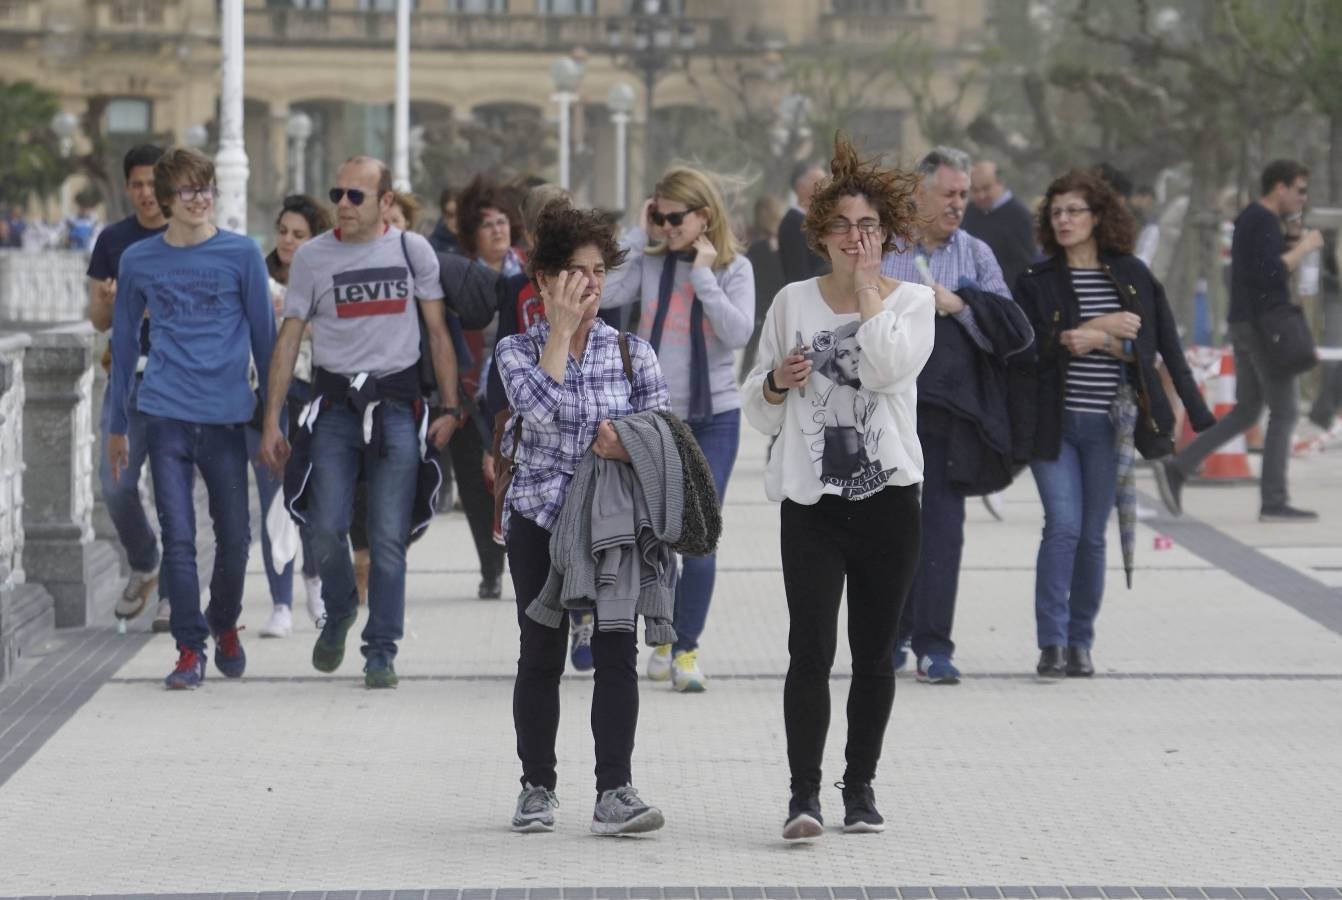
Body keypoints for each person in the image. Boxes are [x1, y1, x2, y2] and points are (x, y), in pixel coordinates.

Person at [742, 134, 934, 840]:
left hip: (890, 502)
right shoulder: (791, 302)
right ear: (819, 234)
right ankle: (804, 796)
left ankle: (860, 787)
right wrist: (775, 381)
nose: (857, 239)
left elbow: (885, 373)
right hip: (812, 505)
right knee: (810, 651)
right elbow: (757, 409)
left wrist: (866, 295)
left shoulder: (912, 302)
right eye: (844, 227)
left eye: (870, 227)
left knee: (876, 653)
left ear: (886, 233)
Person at [495, 203, 671, 835]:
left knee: (617, 652)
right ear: (542, 280)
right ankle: (536, 786)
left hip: (613, 527)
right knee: (540, 653)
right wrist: (559, 333)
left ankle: (614, 790)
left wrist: (626, 444)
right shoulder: (516, 351)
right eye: (574, 271)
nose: (590, 284)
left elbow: (661, 438)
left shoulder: (634, 354)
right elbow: (537, 412)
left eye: (598, 270)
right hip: (539, 519)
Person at [259, 155, 461, 689]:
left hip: (396, 406)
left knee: (388, 535)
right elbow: (289, 339)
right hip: (333, 408)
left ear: (386, 202)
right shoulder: (312, 259)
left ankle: (381, 650)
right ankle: (341, 605)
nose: (343, 205)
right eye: (338, 193)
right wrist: (272, 422)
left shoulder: (411, 251)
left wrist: (449, 406)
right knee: (324, 526)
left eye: (357, 196)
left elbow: (437, 332)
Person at [1016, 168, 1213, 679]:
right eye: (1055, 211)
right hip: (1052, 426)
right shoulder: (1036, 281)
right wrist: (1093, 328)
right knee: (1062, 526)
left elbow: (1153, 347)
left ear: (1098, 217)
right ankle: (1051, 643)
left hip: (1111, 427)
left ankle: (1081, 642)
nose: (1063, 220)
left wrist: (1101, 340)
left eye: (1074, 210)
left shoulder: (1131, 275)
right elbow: (1028, 348)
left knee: (1092, 537)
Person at [106, 146, 276, 689]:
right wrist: (115, 426)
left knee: (235, 539)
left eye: (206, 188)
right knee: (178, 537)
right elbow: (125, 343)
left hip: (227, 417)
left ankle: (224, 623)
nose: (201, 199)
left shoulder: (242, 253)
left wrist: (275, 423)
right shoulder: (138, 260)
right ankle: (188, 647)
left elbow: (265, 342)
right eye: (188, 190)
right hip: (164, 413)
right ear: (163, 197)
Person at [600, 165, 756, 693]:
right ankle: (663, 635)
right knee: (655, 534)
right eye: (659, 217)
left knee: (700, 538)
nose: (666, 228)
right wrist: (635, 233)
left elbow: (737, 333)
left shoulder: (735, 268)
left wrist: (704, 275)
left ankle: (687, 648)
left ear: (703, 217)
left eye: (674, 218)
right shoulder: (648, 260)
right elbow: (604, 292)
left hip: (715, 419)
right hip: (655, 418)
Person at [880, 146, 1021, 684]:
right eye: (949, 194)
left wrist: (960, 307)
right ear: (919, 194)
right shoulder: (885, 249)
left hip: (950, 414)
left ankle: (935, 645)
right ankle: (890, 636)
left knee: (942, 529)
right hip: (888, 411)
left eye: (964, 195)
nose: (959, 204)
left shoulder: (976, 255)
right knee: (890, 530)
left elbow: (1008, 329)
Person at [1153, 160, 1323, 522]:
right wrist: (1305, 246)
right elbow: (1270, 274)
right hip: (1265, 327)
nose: (1302, 197)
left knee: (1247, 409)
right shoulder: (1260, 220)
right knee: (1286, 411)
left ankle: (1180, 467)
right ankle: (1274, 500)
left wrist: (1290, 241)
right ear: (1280, 187)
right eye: (1300, 189)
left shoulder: (1255, 220)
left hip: (1248, 324)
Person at [86, 144, 171, 632]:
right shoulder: (112, 240)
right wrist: (112, 304)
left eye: (153, 184)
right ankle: (145, 562)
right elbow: (99, 319)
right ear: (126, 188)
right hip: (124, 381)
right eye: (137, 184)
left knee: (171, 492)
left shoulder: (184, 239)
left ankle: (174, 598)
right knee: (115, 488)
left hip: (176, 382)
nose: (145, 194)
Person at [252, 194, 333, 638]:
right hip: (264, 400)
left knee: (311, 500)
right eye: (283, 231)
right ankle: (280, 602)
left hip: (315, 397)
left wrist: (300, 319)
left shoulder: (326, 277)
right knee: (271, 498)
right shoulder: (257, 275)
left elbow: (341, 331)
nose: (287, 240)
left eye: (298, 234)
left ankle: (314, 587)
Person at [449, 176, 522, 599]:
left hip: (519, 392)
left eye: (502, 221)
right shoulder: (460, 276)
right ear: (472, 235)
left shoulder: (530, 268)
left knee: (516, 480)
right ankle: (490, 567)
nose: (497, 230)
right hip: (469, 394)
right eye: (487, 224)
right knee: (476, 488)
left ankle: (520, 558)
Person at [963, 159, 1038, 290]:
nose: (981, 195)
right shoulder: (970, 210)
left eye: (986, 188)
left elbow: (1025, 265)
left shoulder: (1020, 217)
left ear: (1000, 183)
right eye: (975, 190)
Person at [741, 193, 787, 379]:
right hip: (768, 294)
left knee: (760, 340)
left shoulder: (758, 240)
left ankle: (750, 373)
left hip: (762, 295)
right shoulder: (777, 239)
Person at [777, 160, 828, 284]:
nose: (827, 188)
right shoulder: (793, 224)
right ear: (801, 188)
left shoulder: (817, 220)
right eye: (820, 183)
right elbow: (798, 273)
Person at [428, 186, 461, 254]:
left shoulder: (477, 241)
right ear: (443, 216)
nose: (457, 220)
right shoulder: (434, 246)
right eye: (451, 215)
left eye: (460, 213)